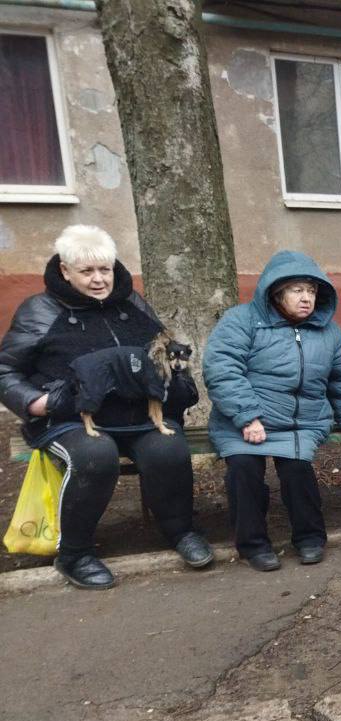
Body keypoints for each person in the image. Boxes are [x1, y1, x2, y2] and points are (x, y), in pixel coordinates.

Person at [0, 225, 213, 588]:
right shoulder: (39, 310)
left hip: (137, 415)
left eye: (105, 269)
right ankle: (75, 554)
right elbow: (6, 369)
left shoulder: (131, 303)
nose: (99, 279)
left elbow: (162, 351)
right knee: (95, 455)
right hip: (69, 416)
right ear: (65, 271)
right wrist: (35, 403)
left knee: (168, 448)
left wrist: (177, 381)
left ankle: (181, 532)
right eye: (87, 271)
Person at [203, 252, 341, 571]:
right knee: (244, 468)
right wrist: (247, 416)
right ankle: (254, 545)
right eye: (297, 290)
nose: (306, 298)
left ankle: (310, 538)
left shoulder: (328, 331)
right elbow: (222, 370)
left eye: (312, 291)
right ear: (275, 292)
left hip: (300, 422)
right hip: (244, 421)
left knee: (297, 470)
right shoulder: (241, 320)